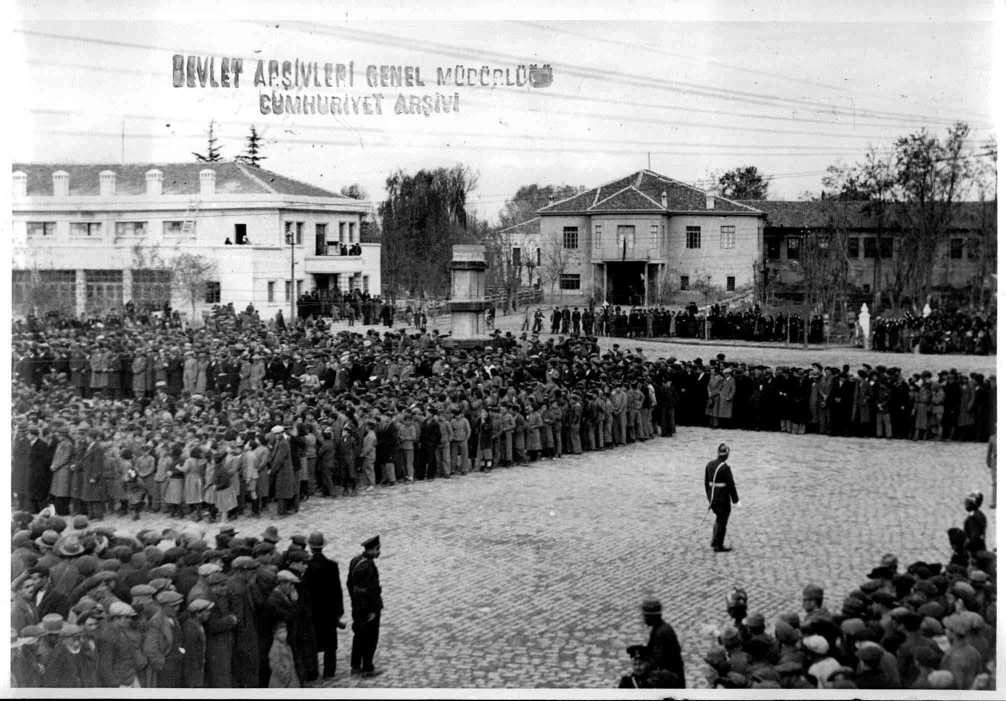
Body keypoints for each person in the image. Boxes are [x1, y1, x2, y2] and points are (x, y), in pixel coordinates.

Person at [304, 531, 347, 679]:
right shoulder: (332, 566)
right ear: (323, 546)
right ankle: (329, 672)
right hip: (329, 611)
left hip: (313, 611)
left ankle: (313, 672)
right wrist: (339, 611)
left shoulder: (306, 567)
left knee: (313, 641)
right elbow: (337, 589)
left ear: (310, 547)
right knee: (330, 643)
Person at [347, 535, 383, 677]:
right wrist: (372, 611)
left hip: (357, 607)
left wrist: (355, 602)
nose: (379, 552)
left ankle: (355, 666)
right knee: (371, 638)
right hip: (368, 609)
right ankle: (368, 667)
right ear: (372, 550)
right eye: (377, 549)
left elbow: (350, 584)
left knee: (359, 636)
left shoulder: (355, 561)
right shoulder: (368, 567)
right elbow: (371, 591)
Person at [640, 598, 685, 687]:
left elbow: (656, 659)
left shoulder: (660, 633)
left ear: (651, 617)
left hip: (670, 681)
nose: (643, 619)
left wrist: (642, 667)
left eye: (645, 616)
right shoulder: (661, 628)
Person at [704, 443, 739, 552]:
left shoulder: (709, 465)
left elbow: (706, 483)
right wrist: (736, 500)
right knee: (722, 520)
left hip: (713, 498)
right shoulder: (725, 468)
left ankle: (715, 540)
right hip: (723, 499)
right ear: (726, 455)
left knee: (719, 518)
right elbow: (731, 485)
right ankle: (718, 544)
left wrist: (709, 497)